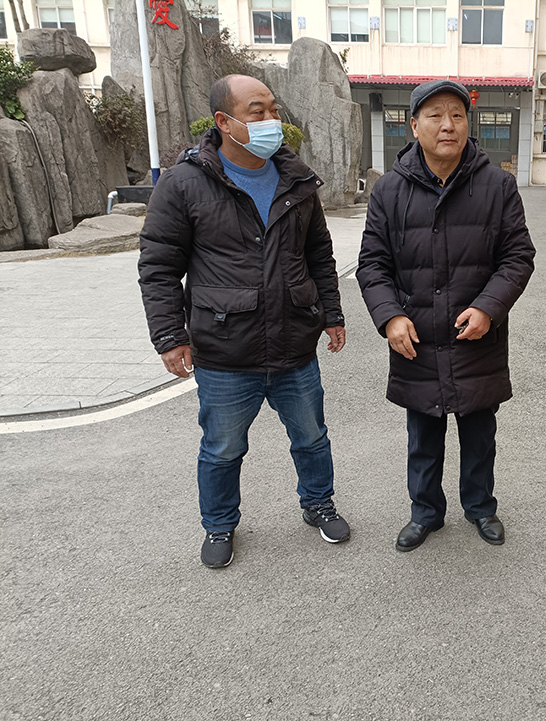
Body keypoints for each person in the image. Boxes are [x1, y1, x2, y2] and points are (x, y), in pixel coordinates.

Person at [138, 74, 350, 569]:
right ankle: (219, 524)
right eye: (258, 112)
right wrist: (169, 335)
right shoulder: (184, 184)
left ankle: (318, 503)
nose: (271, 120)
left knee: (312, 437)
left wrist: (332, 314)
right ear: (224, 122)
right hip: (225, 350)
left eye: (274, 109)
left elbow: (318, 254)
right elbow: (159, 266)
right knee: (222, 448)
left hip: (295, 345)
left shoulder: (297, 179)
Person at [357, 79, 535, 552]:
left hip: (475, 335)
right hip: (416, 337)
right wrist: (390, 317)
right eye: (435, 115)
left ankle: (481, 507)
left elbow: (518, 257)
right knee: (422, 434)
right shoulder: (389, 190)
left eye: (456, 115)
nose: (447, 125)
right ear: (414, 126)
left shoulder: (497, 186)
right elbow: (372, 264)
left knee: (479, 433)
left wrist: (488, 307)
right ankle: (425, 513)